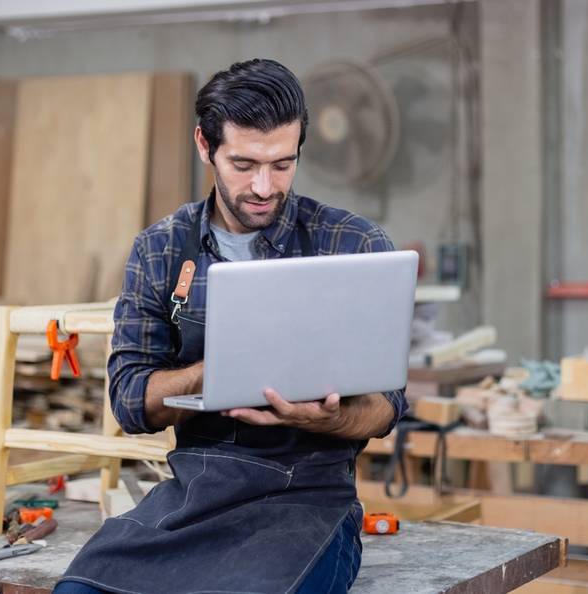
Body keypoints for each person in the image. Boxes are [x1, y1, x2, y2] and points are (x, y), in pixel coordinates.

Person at [53, 58, 408, 594]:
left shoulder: (354, 243)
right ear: (205, 145)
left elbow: (386, 408)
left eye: (282, 164)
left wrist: (325, 420)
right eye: (243, 164)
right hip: (192, 496)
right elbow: (130, 402)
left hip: (308, 503)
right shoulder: (161, 248)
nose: (264, 186)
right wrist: (214, 372)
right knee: (78, 591)